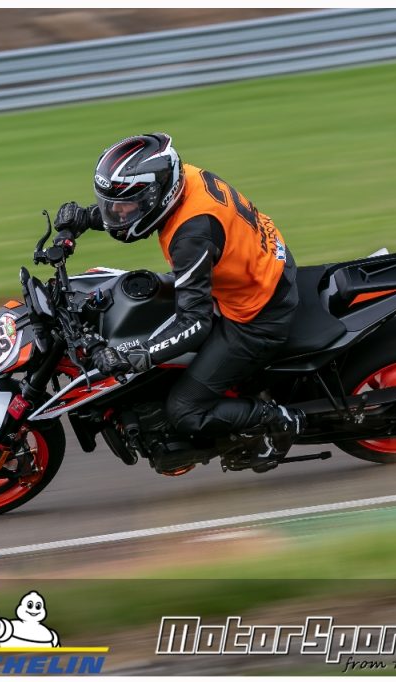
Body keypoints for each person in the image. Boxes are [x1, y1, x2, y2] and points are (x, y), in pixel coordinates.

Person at [53, 132, 306, 462]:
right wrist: (87, 218)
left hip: (258, 314)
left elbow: (195, 323)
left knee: (185, 410)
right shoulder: (180, 177)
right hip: (251, 270)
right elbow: (141, 206)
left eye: (123, 205)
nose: (117, 213)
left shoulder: (192, 236)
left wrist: (138, 355)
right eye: (110, 205)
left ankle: (277, 420)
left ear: (157, 195)